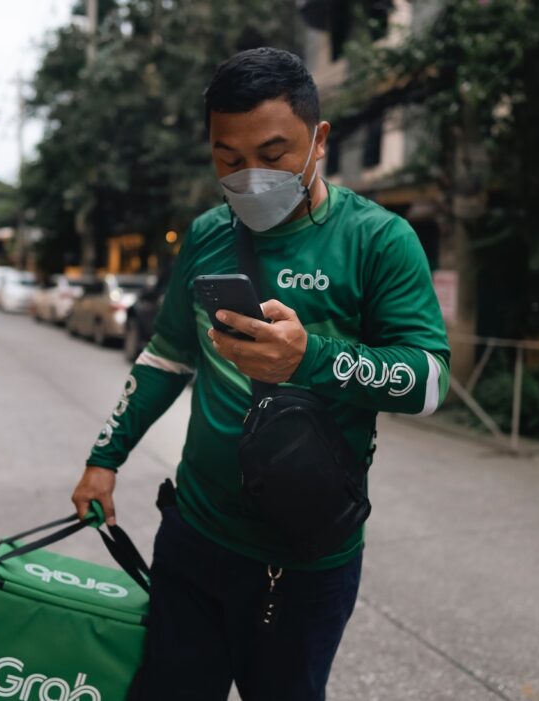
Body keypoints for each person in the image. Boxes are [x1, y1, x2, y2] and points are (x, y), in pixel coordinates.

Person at [71, 47, 450, 700]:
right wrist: (105, 456)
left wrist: (314, 358)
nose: (250, 175)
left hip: (302, 560)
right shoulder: (208, 235)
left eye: (273, 154)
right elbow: (167, 355)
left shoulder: (378, 240)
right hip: (193, 533)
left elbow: (428, 382)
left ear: (319, 140)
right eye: (228, 159)